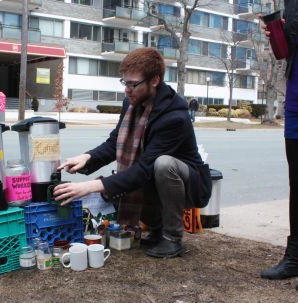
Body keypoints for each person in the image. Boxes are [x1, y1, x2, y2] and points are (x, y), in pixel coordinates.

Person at [53, 47, 212, 258]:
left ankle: (172, 238)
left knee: (162, 165)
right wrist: (86, 158)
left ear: (154, 80)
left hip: (190, 185)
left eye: (133, 84)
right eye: (124, 82)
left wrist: (87, 187)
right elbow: (114, 143)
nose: (127, 90)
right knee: (125, 183)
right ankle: (157, 230)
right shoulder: (131, 102)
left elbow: (144, 169)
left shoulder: (174, 117)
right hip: (154, 176)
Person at [260, 1, 298, 291]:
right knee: (296, 182)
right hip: (296, 99)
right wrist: (278, 31)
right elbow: (286, 51)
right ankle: (295, 255)